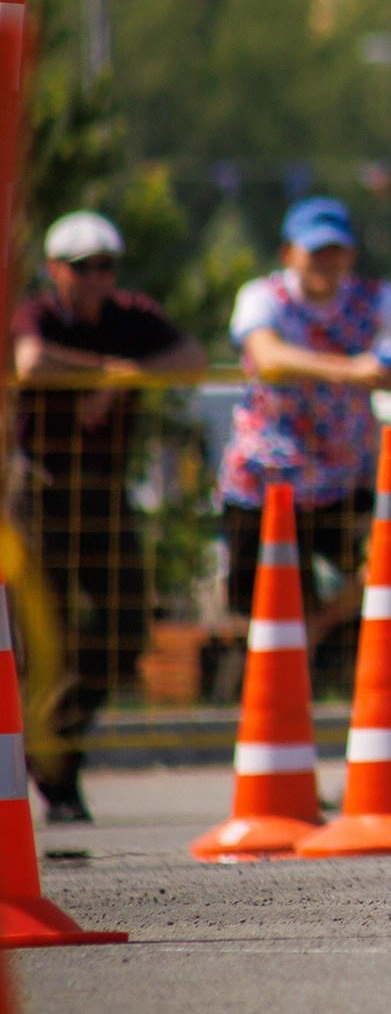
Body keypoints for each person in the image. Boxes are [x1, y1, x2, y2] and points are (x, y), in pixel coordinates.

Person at [11, 211, 206, 822]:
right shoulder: (36, 313)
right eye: (82, 267)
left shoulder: (133, 317)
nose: (96, 278)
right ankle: (56, 781)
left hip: (104, 491)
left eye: (106, 266)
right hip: (38, 491)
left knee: (125, 628)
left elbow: (193, 358)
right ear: (54, 271)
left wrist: (123, 378)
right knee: (43, 636)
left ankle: (50, 741)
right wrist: (109, 373)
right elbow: (30, 363)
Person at [223, 198, 391, 685]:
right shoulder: (262, 296)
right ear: (289, 253)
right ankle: (259, 695)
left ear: (350, 255)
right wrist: (356, 371)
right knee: (262, 609)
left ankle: (317, 633)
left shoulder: (376, 297)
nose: (326, 261)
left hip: (343, 480)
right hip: (265, 484)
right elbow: (267, 356)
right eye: (315, 251)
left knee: (390, 561)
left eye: (335, 250)